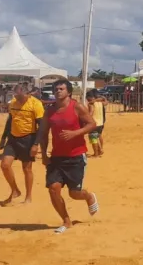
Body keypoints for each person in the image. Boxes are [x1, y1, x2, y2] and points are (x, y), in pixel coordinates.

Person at [32, 79, 99, 233]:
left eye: (61, 89)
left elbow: (92, 124)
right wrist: (43, 153)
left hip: (76, 155)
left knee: (74, 193)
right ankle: (66, 221)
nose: (58, 91)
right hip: (56, 157)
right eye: (55, 89)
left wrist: (75, 133)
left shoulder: (77, 107)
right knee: (53, 188)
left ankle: (88, 197)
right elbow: (43, 133)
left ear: (68, 92)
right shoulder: (49, 111)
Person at [0, 83, 44, 205]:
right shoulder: (13, 103)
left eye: (19, 95)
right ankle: (15, 190)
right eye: (16, 95)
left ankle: (28, 196)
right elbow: (10, 121)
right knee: (5, 165)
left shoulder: (36, 104)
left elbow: (42, 127)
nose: (17, 98)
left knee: (27, 169)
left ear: (27, 94)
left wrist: (36, 144)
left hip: (28, 138)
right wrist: (3, 139)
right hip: (13, 138)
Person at [86, 90, 107, 156]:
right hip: (100, 123)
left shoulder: (91, 104)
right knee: (98, 136)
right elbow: (106, 101)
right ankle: (100, 149)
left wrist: (87, 119)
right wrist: (99, 99)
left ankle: (96, 153)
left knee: (93, 138)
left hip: (94, 123)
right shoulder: (101, 103)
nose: (87, 99)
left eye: (87, 97)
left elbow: (91, 113)